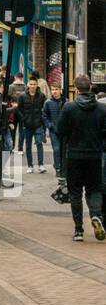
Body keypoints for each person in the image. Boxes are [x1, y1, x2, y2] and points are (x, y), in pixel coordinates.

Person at [57, 75, 106, 242]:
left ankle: (78, 230)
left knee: (75, 192)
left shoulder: (69, 108)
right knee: (94, 189)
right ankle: (96, 216)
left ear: (76, 89)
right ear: (90, 87)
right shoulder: (102, 109)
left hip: (74, 156)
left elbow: (60, 130)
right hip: (94, 155)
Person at [18, 75, 47, 175]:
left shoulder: (42, 96)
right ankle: (30, 165)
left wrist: (42, 121)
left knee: (39, 144)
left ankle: (40, 165)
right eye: (31, 84)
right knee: (28, 146)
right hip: (27, 125)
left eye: (34, 84)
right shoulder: (22, 96)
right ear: (28, 84)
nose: (32, 86)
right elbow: (19, 109)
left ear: (37, 85)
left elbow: (45, 109)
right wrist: (23, 119)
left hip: (38, 124)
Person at [42, 85, 66, 177]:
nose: (54, 91)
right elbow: (44, 115)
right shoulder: (48, 102)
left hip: (64, 131)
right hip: (53, 131)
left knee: (63, 150)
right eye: (52, 90)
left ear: (60, 90)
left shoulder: (65, 102)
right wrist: (50, 125)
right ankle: (58, 168)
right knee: (56, 149)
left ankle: (62, 167)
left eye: (56, 89)